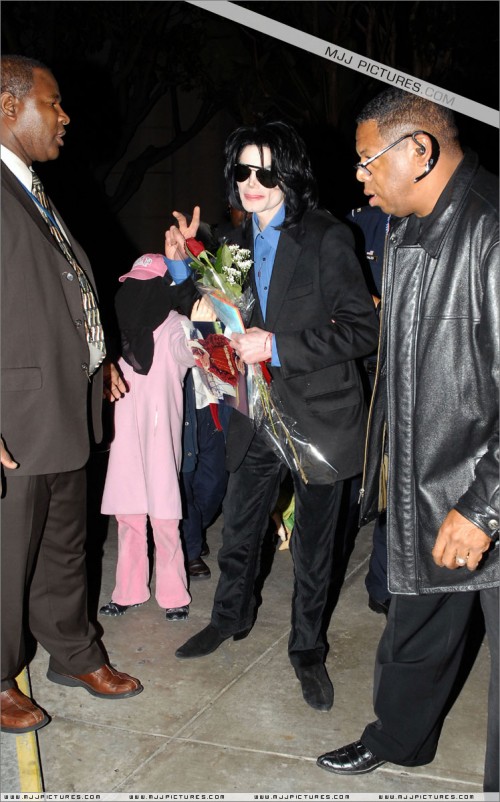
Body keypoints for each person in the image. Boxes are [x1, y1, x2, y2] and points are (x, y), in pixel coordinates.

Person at [317, 89, 499, 792]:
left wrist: (483, 509)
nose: (359, 177)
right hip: (433, 477)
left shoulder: (488, 229)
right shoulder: (409, 227)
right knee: (415, 623)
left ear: (418, 152)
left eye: (367, 161)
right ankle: (400, 737)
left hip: (484, 487)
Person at [172, 120, 379, 712]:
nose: (253, 183)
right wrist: (187, 265)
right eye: (242, 170)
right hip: (255, 412)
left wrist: (279, 346)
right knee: (238, 527)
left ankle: (307, 650)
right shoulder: (235, 245)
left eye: (266, 171)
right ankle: (229, 619)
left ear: (290, 174)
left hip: (318, 417)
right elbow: (222, 308)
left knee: (315, 547)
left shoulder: (325, 236)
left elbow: (363, 328)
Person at [0, 54, 143, 734]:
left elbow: (59, 294)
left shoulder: (30, 187)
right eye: (51, 104)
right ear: (8, 107)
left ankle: (72, 652)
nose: (65, 115)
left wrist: (98, 359)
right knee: (5, 554)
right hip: (14, 420)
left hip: (63, 404)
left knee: (65, 547)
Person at [99, 253, 215, 621]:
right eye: (132, 285)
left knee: (165, 518)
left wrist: (202, 333)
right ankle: (128, 590)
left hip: (161, 436)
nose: (135, 294)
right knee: (128, 515)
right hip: (124, 439)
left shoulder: (175, 326)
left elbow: (190, 352)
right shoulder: (117, 335)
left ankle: (173, 594)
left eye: (144, 285)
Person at [346, 204, 392, 616]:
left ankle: (385, 585)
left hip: (408, 366)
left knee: (397, 480)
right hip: (362, 367)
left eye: (370, 162)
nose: (364, 176)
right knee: (367, 478)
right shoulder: (358, 223)